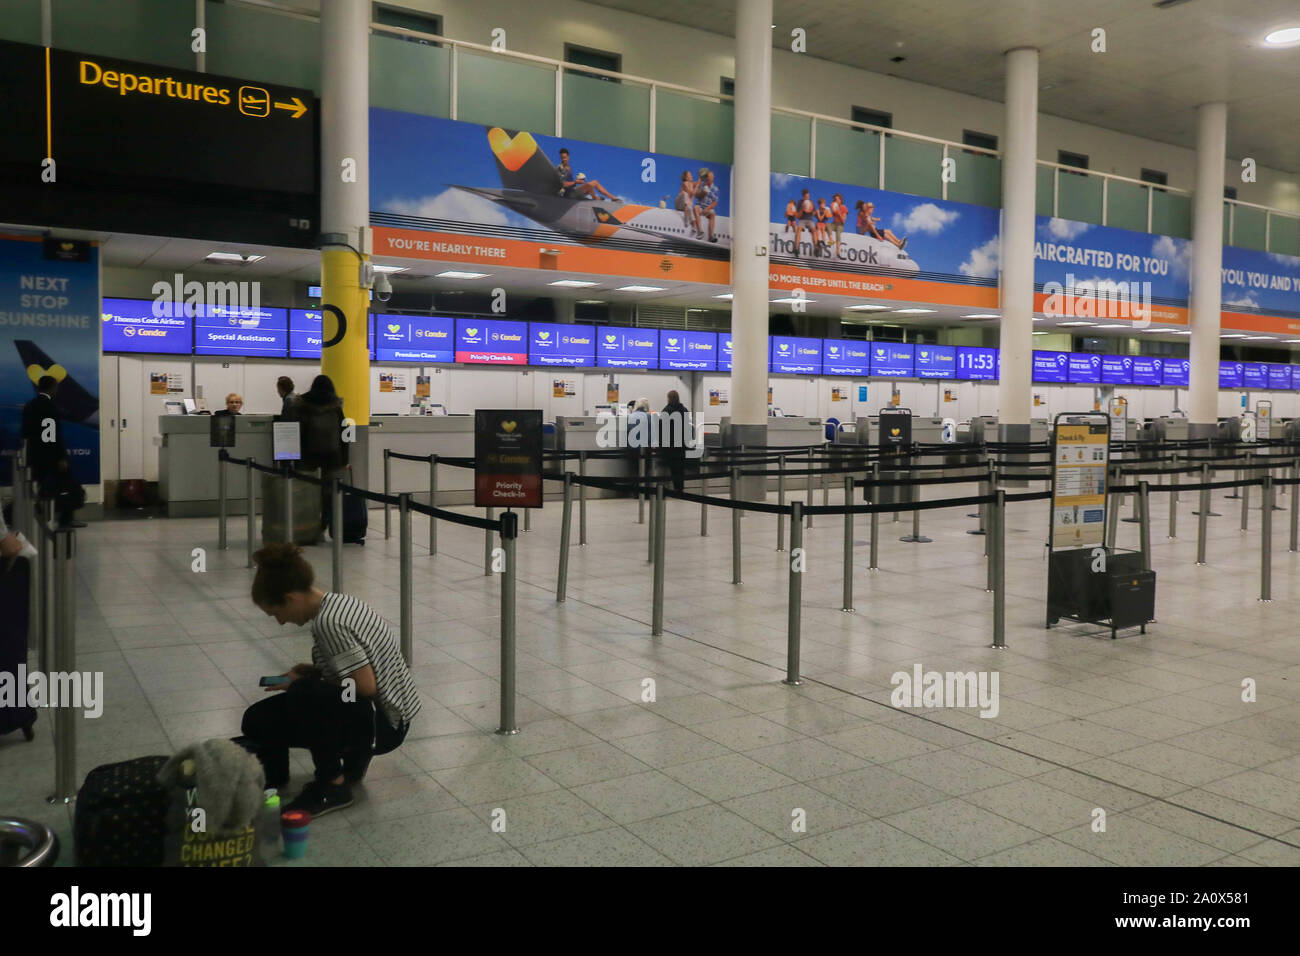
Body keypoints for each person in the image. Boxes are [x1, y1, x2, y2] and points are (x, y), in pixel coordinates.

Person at [237, 544, 420, 816]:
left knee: (300, 697)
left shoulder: (328, 623)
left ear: (291, 598)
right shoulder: (340, 603)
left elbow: (366, 686)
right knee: (269, 711)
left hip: (382, 725)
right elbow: (356, 672)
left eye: (276, 613)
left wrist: (304, 685)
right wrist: (314, 672)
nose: (279, 622)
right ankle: (351, 762)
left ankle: (333, 784)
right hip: (392, 716)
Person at [21, 375, 85, 528]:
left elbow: (25, 433)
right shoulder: (51, 407)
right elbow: (52, 436)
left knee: (38, 487)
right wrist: (61, 457)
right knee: (69, 486)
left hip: (33, 455)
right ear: (52, 388)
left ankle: (38, 517)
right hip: (51, 457)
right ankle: (66, 518)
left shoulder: (29, 406)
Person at [287, 375, 349, 524]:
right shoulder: (336, 406)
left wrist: (293, 457)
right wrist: (345, 459)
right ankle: (325, 521)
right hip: (332, 455)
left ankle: (307, 524)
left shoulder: (301, 404)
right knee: (330, 491)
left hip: (308, 455)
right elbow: (345, 433)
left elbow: (296, 432)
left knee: (307, 490)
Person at [659, 389, 690, 492]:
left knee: (673, 468)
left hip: (670, 446)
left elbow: (661, 429)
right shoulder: (684, 410)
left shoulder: (666, 411)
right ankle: (680, 488)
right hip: (682, 444)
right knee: (680, 468)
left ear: (668, 398)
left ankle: (675, 488)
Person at [694, 169, 719, 242]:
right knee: (696, 208)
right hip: (700, 207)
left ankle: (711, 236)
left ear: (712, 178)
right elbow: (697, 196)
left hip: (707, 208)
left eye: (709, 177)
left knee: (713, 214)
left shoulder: (715, 189)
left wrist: (707, 209)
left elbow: (715, 203)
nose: (707, 178)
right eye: (707, 177)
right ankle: (700, 232)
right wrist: (702, 193)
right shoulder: (702, 185)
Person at [676, 170, 701, 237]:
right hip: (679, 203)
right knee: (685, 194)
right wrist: (697, 186)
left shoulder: (692, 184)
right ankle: (686, 219)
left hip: (686, 206)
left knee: (689, 207)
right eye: (690, 175)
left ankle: (693, 226)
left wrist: (701, 177)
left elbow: (699, 182)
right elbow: (692, 193)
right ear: (686, 178)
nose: (692, 176)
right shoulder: (685, 183)